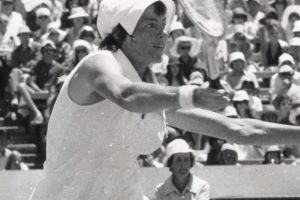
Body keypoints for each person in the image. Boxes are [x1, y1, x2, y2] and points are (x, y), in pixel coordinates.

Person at [29, 1, 300, 200]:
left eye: (163, 25)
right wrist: (189, 94)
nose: (162, 33)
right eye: (150, 25)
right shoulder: (97, 64)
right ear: (123, 33)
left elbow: (238, 130)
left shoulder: (151, 90)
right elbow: (126, 95)